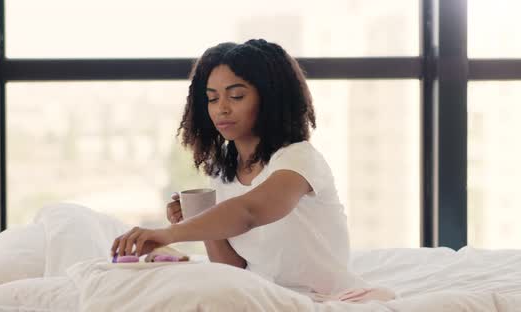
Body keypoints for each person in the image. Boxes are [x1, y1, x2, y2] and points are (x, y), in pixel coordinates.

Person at [110, 39, 394, 302]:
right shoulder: (222, 170)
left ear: (269, 98)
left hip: (332, 299)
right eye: (212, 98)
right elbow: (234, 268)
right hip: (266, 298)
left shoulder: (299, 159)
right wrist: (201, 219)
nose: (221, 109)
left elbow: (249, 212)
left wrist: (173, 233)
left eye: (236, 96)